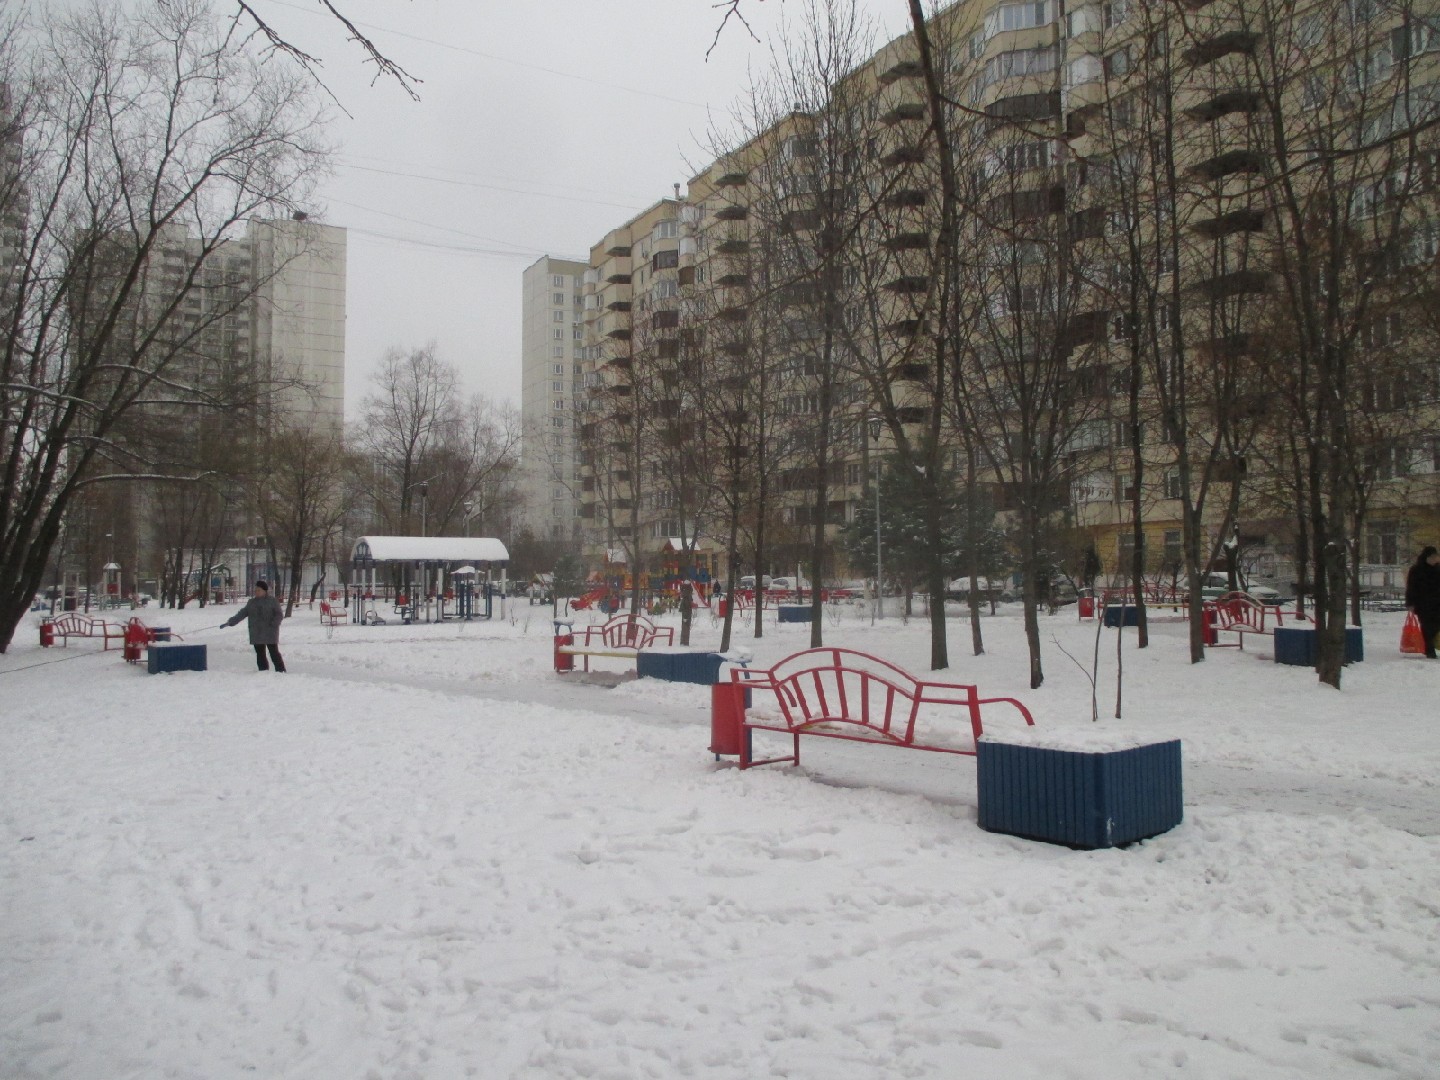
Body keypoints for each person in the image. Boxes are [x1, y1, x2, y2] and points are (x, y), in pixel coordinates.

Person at [222, 579, 287, 672]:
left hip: (270, 631)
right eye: (255, 590)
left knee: (274, 653)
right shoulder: (251, 602)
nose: (256, 592)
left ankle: (281, 671)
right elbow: (242, 613)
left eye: (259, 590)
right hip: (256, 632)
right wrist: (231, 621)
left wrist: (274, 624)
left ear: (265, 591)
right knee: (260, 654)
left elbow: (279, 614)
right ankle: (263, 671)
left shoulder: (272, 601)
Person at [1404, 545, 1440, 660]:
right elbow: (1411, 587)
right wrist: (1410, 603)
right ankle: (1430, 651)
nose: (1435, 559)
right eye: (1433, 557)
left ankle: (1430, 647)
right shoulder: (1416, 570)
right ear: (1427, 557)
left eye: (1436, 557)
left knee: (1436, 626)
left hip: (1438, 604)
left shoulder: (1438, 569)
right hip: (1423, 604)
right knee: (1427, 627)